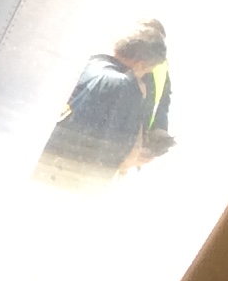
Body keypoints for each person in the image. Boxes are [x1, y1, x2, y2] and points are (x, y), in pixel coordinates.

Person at [38, 18, 174, 183]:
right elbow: (125, 159)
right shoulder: (125, 86)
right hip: (77, 180)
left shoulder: (90, 64)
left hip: (46, 164)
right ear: (141, 64)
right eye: (147, 70)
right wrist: (136, 154)